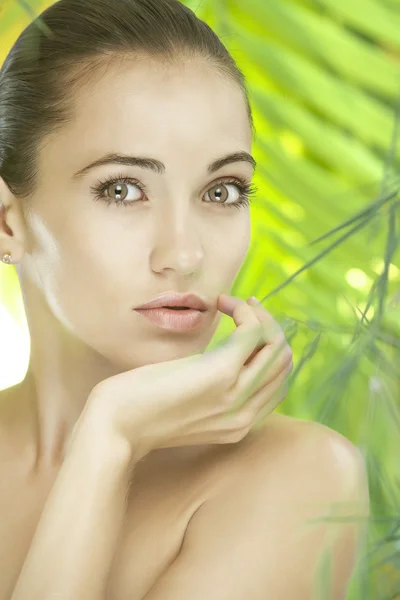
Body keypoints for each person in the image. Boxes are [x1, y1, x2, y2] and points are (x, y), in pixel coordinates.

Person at [0, 1, 369, 599]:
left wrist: (108, 440)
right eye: (123, 189)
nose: (185, 253)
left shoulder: (302, 477)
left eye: (222, 191)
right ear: (7, 221)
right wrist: (106, 441)